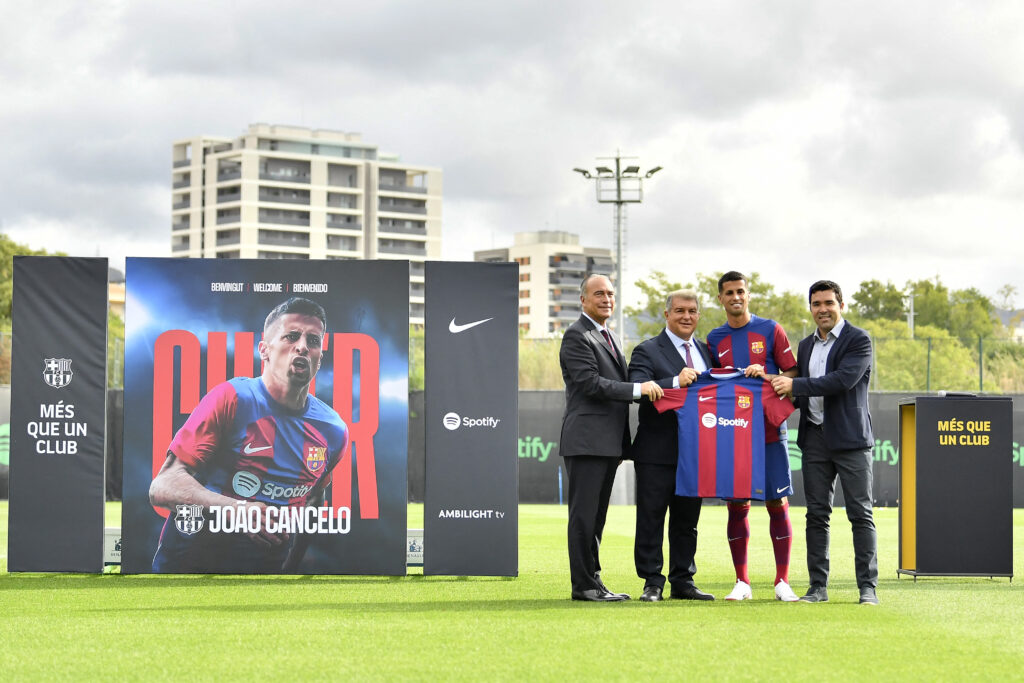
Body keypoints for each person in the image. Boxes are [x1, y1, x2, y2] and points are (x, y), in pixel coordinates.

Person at [149, 297, 350, 573]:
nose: (303, 346)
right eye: (292, 336)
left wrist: (291, 568)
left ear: (319, 358)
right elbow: (163, 486)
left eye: (313, 341)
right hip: (190, 565)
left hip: (265, 574)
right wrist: (238, 510)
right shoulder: (232, 398)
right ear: (264, 351)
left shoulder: (334, 430)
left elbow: (314, 500)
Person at [770, 280, 879, 605]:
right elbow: (797, 391)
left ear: (840, 305)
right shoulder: (805, 346)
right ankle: (817, 588)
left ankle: (867, 589)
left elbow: (842, 381)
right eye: (816, 304)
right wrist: (768, 383)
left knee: (860, 514)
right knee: (816, 515)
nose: (822, 309)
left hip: (851, 441)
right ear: (811, 308)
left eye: (828, 303)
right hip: (814, 439)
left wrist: (793, 385)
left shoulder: (858, 340)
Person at [559, 274, 663, 601]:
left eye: (611, 294)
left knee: (597, 517)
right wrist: (638, 390)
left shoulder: (610, 336)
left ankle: (594, 580)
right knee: (584, 516)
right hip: (586, 441)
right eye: (599, 293)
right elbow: (591, 384)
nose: (606, 299)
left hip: (608, 443)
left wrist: (666, 382)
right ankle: (585, 586)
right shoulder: (577, 336)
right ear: (584, 300)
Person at [707, 271, 800, 602]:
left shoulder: (770, 329)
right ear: (720, 298)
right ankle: (742, 582)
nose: (736, 297)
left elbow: (792, 372)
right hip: (734, 434)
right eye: (729, 292)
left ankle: (782, 582)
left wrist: (768, 374)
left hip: (771, 431)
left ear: (748, 295)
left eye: (741, 291)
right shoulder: (714, 338)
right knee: (737, 505)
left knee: (777, 501)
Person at [628, 289, 714, 602]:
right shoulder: (647, 350)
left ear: (698, 315)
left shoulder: (708, 351)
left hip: (696, 453)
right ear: (667, 315)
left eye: (692, 311)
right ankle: (652, 582)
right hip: (656, 451)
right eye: (679, 311)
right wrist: (675, 381)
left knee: (687, 521)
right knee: (651, 518)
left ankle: (683, 581)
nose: (686, 316)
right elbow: (638, 387)